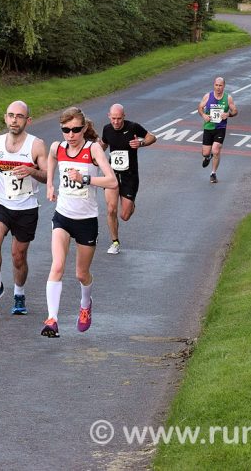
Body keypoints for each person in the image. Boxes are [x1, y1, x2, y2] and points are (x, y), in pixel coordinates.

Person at [42, 107, 117, 338]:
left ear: (84, 128)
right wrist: (50, 185)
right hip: (63, 216)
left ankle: (85, 305)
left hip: (86, 220)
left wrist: (86, 178)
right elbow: (52, 158)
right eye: (66, 130)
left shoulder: (92, 149)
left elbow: (112, 181)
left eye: (75, 129)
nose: (71, 135)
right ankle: (52, 319)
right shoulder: (58, 147)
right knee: (57, 266)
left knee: (81, 274)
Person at [0, 100, 47, 314]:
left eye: (19, 116)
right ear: (5, 118)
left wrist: (31, 171)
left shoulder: (36, 145)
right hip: (1, 202)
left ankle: (19, 294)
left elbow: (46, 176)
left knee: (18, 256)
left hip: (26, 206)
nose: (14, 120)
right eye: (11, 115)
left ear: (28, 120)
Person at [99, 103, 157, 254]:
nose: (116, 122)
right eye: (113, 118)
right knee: (111, 209)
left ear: (124, 116)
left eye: (119, 118)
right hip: (112, 176)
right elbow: (104, 144)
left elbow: (152, 137)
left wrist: (141, 143)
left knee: (124, 215)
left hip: (130, 176)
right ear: (109, 116)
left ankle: (130, 205)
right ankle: (115, 242)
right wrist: (96, 151)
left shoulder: (133, 127)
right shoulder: (107, 129)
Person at [198, 76, 238, 183]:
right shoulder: (208, 96)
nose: (218, 88)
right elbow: (200, 107)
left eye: (220, 85)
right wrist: (203, 115)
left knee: (216, 150)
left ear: (224, 86)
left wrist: (228, 114)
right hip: (208, 127)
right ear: (214, 85)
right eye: (216, 85)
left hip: (220, 128)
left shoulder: (228, 98)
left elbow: (235, 111)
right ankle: (207, 157)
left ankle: (213, 173)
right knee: (206, 152)